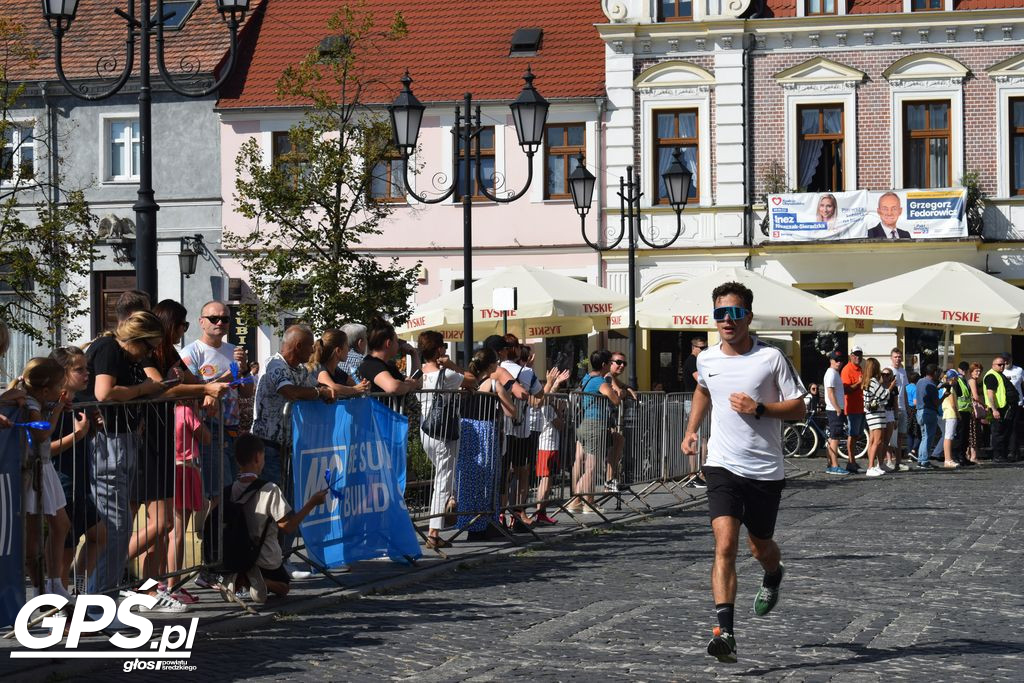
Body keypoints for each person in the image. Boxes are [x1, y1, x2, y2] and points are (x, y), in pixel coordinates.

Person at [680, 281, 806, 664]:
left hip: (765, 470)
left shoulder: (772, 359)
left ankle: (773, 574)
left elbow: (799, 408)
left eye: (735, 313)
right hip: (722, 465)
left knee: (760, 547)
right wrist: (691, 430)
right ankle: (726, 632)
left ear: (749, 316)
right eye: (720, 313)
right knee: (724, 546)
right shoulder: (707, 359)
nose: (727, 320)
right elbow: (704, 390)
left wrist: (760, 409)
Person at [84, 311, 167, 597]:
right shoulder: (109, 349)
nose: (147, 354)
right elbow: (104, 392)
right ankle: (96, 601)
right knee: (116, 528)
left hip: (123, 440)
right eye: (147, 347)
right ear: (135, 339)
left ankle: (96, 597)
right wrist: (144, 388)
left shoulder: (120, 352)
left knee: (116, 528)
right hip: (108, 443)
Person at [226, 434, 328, 604]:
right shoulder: (270, 489)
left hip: (238, 556)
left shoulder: (229, 489)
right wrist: (312, 503)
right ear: (259, 458)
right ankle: (258, 581)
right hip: (264, 558)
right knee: (284, 587)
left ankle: (241, 578)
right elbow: (287, 527)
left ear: (237, 460)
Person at [180, 300, 254, 503]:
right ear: (201, 322)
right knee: (219, 491)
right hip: (207, 426)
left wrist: (245, 369)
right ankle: (214, 533)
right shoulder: (191, 353)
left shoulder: (234, 351)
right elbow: (193, 390)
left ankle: (222, 532)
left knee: (231, 488)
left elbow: (246, 392)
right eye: (214, 318)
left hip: (233, 428)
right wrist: (229, 376)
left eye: (225, 319)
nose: (219, 322)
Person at [49, 346, 106, 595]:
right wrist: (78, 434)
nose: (86, 374)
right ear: (62, 373)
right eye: (79, 369)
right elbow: (44, 447)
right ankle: (60, 611)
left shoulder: (80, 401)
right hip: (63, 483)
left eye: (87, 369)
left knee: (99, 535)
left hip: (81, 481)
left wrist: (95, 426)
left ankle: (79, 591)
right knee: (65, 550)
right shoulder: (52, 405)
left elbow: (85, 434)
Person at [17, 358, 72, 599]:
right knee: (33, 534)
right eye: (60, 385)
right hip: (32, 470)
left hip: (44, 467)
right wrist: (57, 410)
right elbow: (40, 433)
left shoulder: (37, 400)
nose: (63, 389)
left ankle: (52, 583)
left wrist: (54, 406)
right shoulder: (29, 401)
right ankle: (41, 588)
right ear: (46, 389)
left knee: (60, 524)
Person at [416, 330, 474, 549]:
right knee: (443, 481)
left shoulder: (418, 374)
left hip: (426, 429)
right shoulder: (447, 375)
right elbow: (471, 379)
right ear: (439, 349)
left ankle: (449, 503)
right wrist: (451, 365)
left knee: (442, 477)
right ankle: (434, 532)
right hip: (444, 432)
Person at [492, 334, 543, 532]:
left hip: (501, 427)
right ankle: (519, 513)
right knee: (522, 471)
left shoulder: (494, 370)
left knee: (503, 472)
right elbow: (539, 395)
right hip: (520, 428)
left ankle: (501, 514)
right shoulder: (527, 372)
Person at [570, 350, 620, 515]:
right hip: (595, 424)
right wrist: (616, 391)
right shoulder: (600, 381)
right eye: (611, 362)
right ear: (605, 364)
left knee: (587, 466)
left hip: (584, 424)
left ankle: (577, 501)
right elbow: (615, 399)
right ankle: (586, 502)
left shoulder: (587, 377)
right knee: (591, 467)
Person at [357, 317, 423, 408]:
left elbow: (417, 382)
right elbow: (393, 387)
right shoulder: (371, 364)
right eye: (397, 341)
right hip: (380, 420)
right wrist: (409, 385)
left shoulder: (389, 365)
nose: (399, 345)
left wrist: (414, 355)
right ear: (388, 343)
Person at [607, 350, 638, 491]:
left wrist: (628, 388)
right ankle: (609, 481)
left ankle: (610, 480)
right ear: (610, 363)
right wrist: (626, 392)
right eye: (618, 362)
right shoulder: (608, 375)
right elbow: (618, 392)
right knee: (615, 448)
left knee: (617, 446)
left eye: (624, 363)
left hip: (609, 418)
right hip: (606, 419)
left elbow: (621, 386)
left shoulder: (612, 376)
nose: (622, 366)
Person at [310, 329, 371, 398]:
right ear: (338, 351)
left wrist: (364, 385)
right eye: (347, 346)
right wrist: (355, 389)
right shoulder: (320, 369)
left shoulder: (338, 371)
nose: (349, 349)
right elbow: (333, 387)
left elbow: (356, 384)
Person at [681, 337, 707, 485]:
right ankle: (693, 474)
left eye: (706, 348)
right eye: (701, 348)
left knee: (703, 438)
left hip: (698, 401)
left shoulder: (700, 360)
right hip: (692, 401)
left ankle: (701, 472)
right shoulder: (692, 361)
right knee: (695, 438)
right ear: (693, 347)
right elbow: (701, 380)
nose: (704, 351)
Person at [861, 359, 892, 477]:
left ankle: (872, 466)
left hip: (871, 414)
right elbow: (884, 395)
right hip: (876, 415)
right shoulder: (873, 381)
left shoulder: (867, 381)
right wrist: (890, 387)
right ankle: (870, 467)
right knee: (877, 441)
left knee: (873, 441)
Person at [985, 354, 1018, 463]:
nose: (1002, 366)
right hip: (998, 409)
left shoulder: (999, 374)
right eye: (999, 365)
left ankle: (1002, 455)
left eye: (1003, 364)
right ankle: (997, 456)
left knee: (1004, 432)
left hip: (1004, 407)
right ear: (993, 365)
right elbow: (990, 394)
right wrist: (994, 410)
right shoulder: (991, 376)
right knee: (998, 433)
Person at [822, 350, 849, 476]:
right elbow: (830, 392)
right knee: (835, 437)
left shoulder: (834, 373)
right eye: (836, 360)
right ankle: (834, 465)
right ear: (831, 361)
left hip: (835, 408)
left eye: (840, 360)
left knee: (833, 437)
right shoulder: (831, 373)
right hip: (834, 409)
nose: (839, 362)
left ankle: (830, 463)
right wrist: (838, 408)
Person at [840, 346, 866, 474]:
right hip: (852, 408)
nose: (858, 357)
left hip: (861, 407)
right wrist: (859, 383)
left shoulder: (861, 368)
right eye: (855, 354)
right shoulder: (847, 369)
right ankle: (851, 461)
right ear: (851, 355)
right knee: (853, 434)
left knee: (857, 435)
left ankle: (853, 461)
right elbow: (846, 389)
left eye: (860, 354)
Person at [886, 348, 910, 472]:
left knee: (901, 436)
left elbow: (904, 390)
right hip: (892, 408)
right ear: (891, 358)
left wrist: (907, 406)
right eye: (895, 357)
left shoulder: (903, 371)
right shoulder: (888, 371)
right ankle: (889, 460)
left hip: (902, 407)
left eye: (899, 356)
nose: (898, 359)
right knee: (890, 436)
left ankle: (898, 462)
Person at [933, 370, 962, 469]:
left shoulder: (944, 387)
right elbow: (953, 403)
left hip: (947, 413)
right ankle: (948, 459)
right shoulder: (950, 388)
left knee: (947, 436)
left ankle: (948, 459)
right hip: (951, 414)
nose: (957, 380)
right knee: (949, 436)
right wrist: (958, 414)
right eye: (956, 378)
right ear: (953, 378)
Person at [915, 364, 941, 468]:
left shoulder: (920, 381)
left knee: (924, 436)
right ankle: (924, 460)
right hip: (929, 412)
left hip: (919, 411)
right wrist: (944, 396)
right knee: (928, 437)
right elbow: (936, 403)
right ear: (934, 372)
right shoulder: (932, 385)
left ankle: (921, 459)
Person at [966, 362, 985, 464]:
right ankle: (973, 456)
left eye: (979, 371)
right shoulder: (972, 381)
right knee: (974, 433)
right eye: (976, 371)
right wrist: (985, 405)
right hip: (973, 410)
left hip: (971, 410)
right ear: (971, 372)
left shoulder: (972, 381)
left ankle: (969, 455)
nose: (978, 373)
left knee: (971, 433)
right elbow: (975, 397)